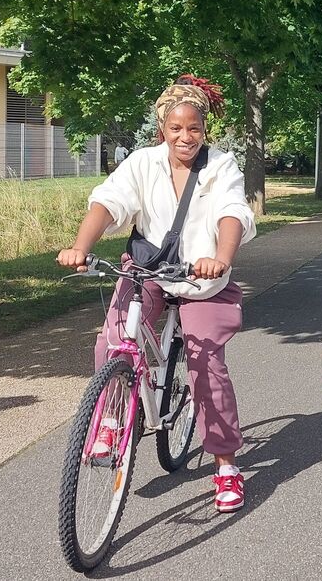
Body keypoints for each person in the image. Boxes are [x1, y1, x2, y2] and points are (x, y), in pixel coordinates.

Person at [57, 74, 255, 514]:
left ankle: (226, 464)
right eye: (176, 128)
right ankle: (111, 418)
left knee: (206, 364)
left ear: (205, 129)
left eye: (194, 128)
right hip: (148, 268)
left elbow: (232, 212)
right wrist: (80, 247)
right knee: (114, 337)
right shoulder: (143, 163)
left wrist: (221, 258)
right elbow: (108, 202)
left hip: (202, 279)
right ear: (162, 128)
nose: (186, 137)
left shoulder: (221, 166)